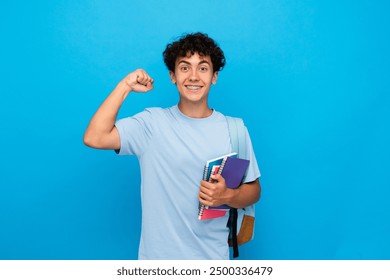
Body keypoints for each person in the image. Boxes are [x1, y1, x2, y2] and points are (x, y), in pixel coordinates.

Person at [83, 32, 261, 260]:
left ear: (214, 76)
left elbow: (253, 191)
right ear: (172, 76)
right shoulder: (151, 124)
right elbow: (94, 137)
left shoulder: (235, 129)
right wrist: (125, 86)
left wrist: (228, 195)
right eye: (185, 68)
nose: (194, 76)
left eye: (203, 68)